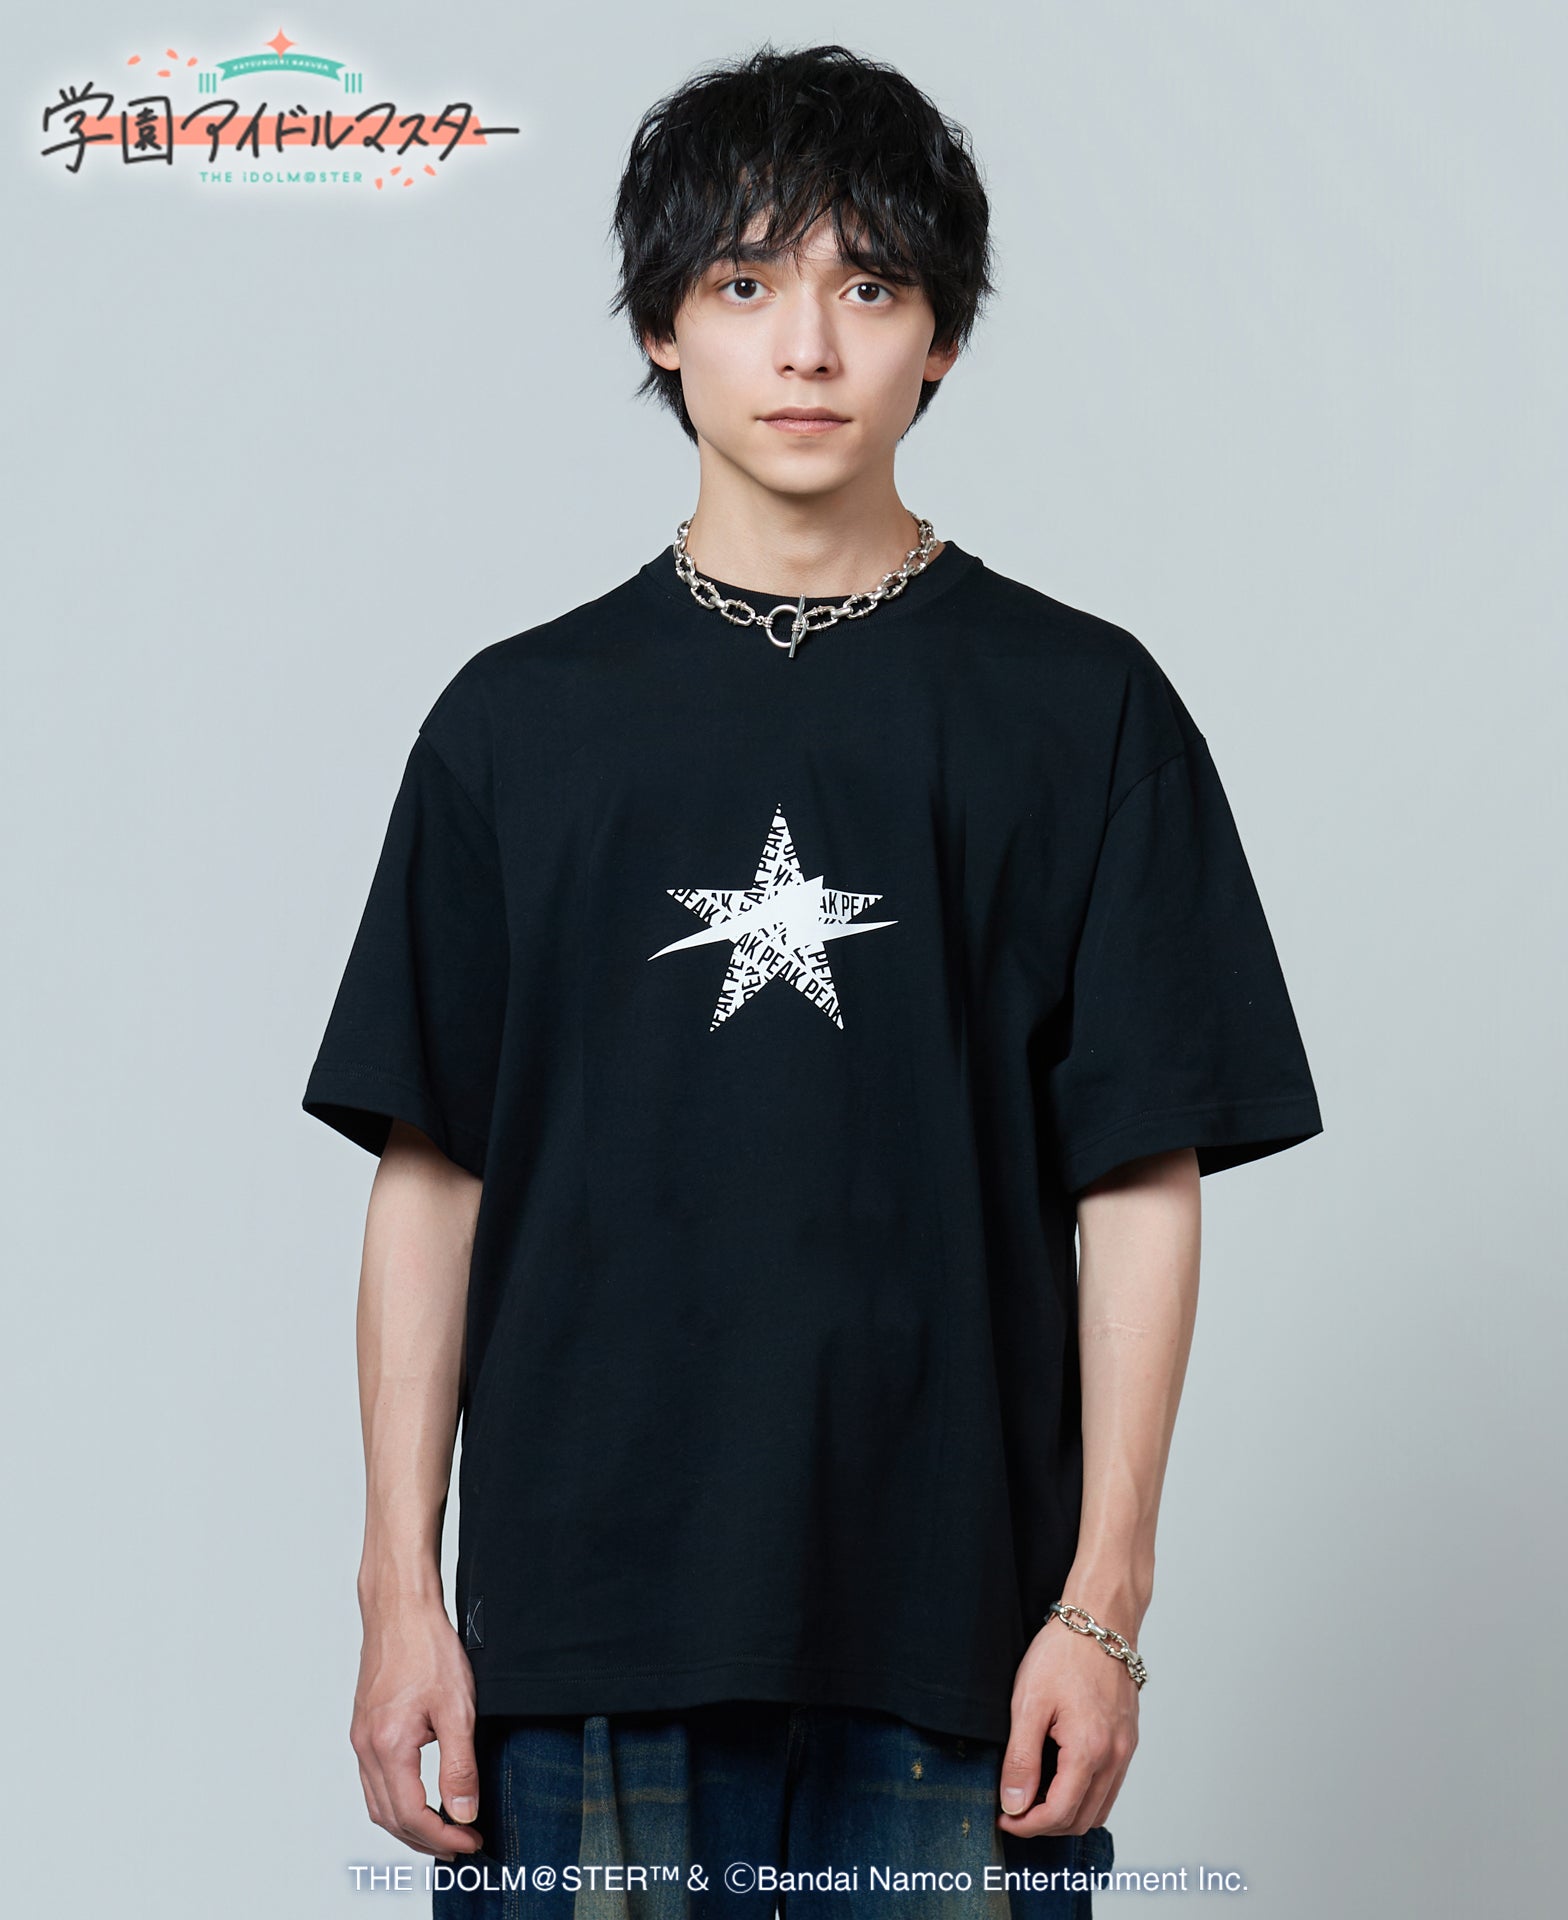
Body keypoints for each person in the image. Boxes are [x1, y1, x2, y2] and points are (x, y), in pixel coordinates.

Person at [302, 41, 1323, 1919]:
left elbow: (1141, 1178)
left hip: (958, 1641)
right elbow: (430, 1174)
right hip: (579, 1641)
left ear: (943, 338)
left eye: (869, 289)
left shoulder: (1084, 711)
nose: (805, 347)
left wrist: (1106, 1606)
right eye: (744, 282)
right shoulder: (514, 727)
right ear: (662, 326)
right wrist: (396, 1595)